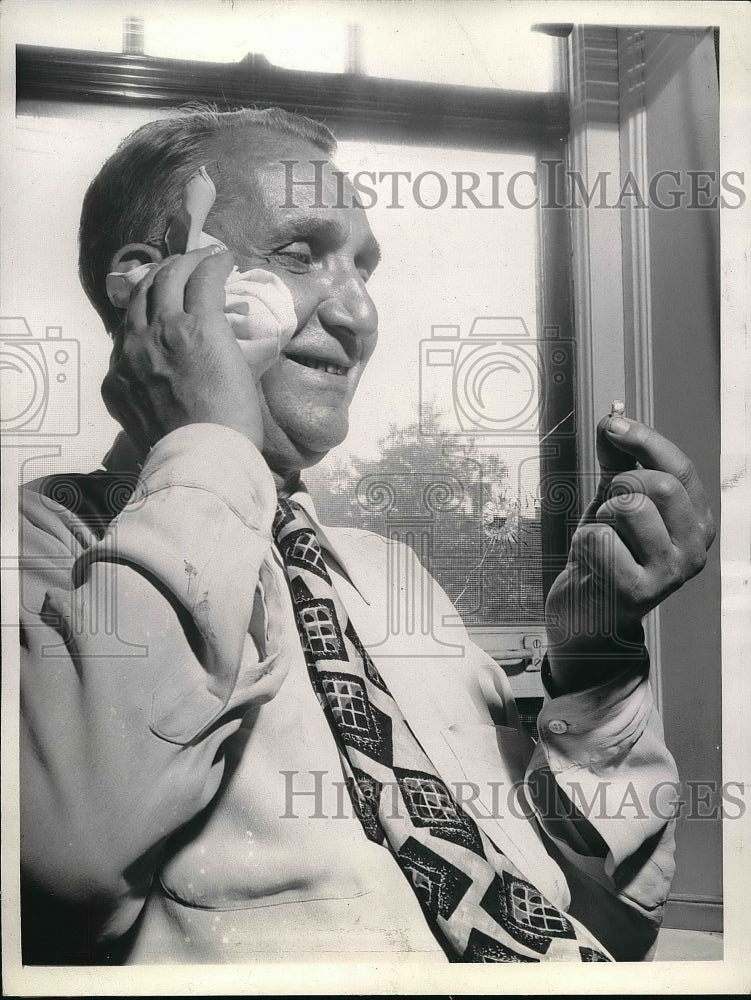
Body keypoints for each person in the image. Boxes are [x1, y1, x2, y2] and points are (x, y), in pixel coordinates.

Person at [18, 106, 715, 965]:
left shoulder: (392, 578)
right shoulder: (40, 546)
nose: (357, 313)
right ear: (149, 286)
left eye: (364, 268)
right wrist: (209, 444)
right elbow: (66, 864)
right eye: (299, 253)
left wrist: (593, 654)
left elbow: (611, 917)